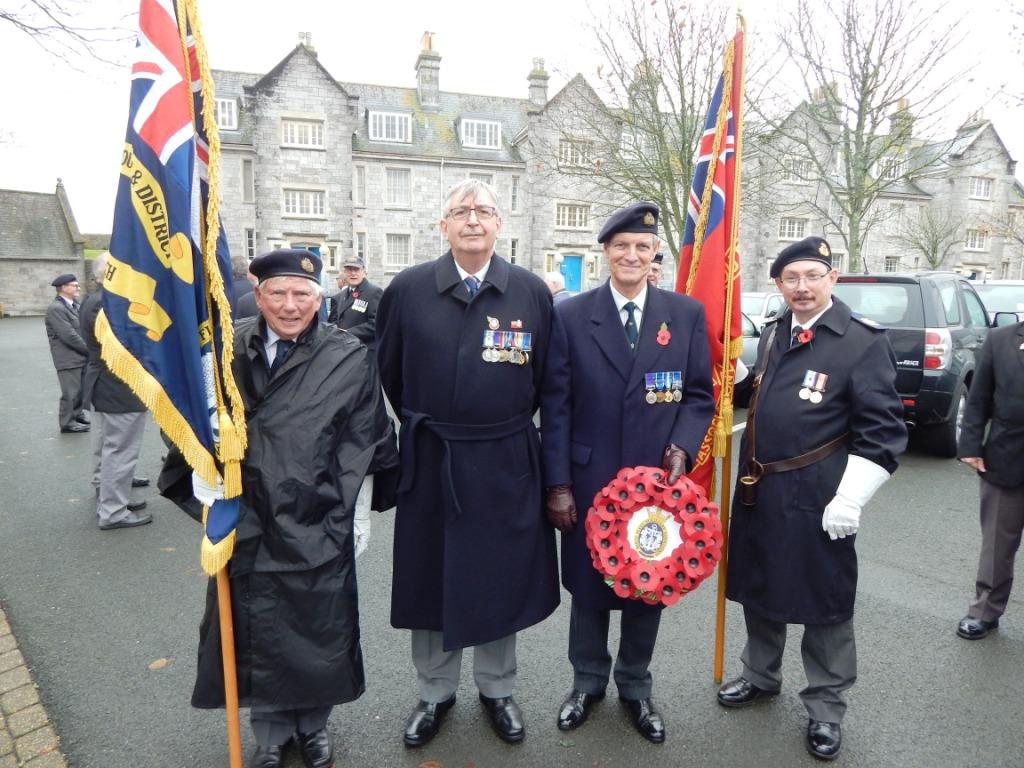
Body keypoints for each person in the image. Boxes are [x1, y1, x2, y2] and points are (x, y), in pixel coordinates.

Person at [164, 248, 398, 768]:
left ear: (319, 298)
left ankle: (313, 726)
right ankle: (269, 732)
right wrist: (203, 475)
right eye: (278, 293)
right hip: (246, 515)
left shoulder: (348, 355)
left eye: (301, 294)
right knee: (257, 629)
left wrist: (356, 513)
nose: (290, 306)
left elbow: (365, 438)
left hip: (318, 514)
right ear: (258, 294)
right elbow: (186, 418)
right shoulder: (222, 351)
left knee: (318, 629)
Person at [376, 178, 559, 748]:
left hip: (506, 459)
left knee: (501, 577)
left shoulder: (530, 292)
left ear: (500, 223)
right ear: (444, 225)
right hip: (434, 458)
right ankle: (434, 692)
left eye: (483, 210)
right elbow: (389, 372)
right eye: (460, 211)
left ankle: (497, 688)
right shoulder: (407, 289)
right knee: (431, 575)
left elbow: (547, 382)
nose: (472, 219)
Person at [718, 236, 907, 761]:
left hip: (821, 495)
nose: (802, 287)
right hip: (761, 490)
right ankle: (760, 675)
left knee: (825, 601)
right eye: (791, 279)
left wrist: (851, 499)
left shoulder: (861, 341)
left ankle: (826, 706)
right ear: (779, 284)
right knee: (760, 586)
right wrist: (735, 372)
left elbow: (883, 432)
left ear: (832, 279)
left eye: (812, 276)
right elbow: (760, 393)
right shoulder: (777, 330)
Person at [540, 202, 715, 744]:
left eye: (642, 246)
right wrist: (558, 484)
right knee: (590, 588)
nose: (632, 255)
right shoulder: (571, 315)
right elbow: (556, 405)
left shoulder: (684, 314)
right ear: (606, 253)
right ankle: (586, 682)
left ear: (654, 252)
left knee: (651, 582)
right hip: (590, 481)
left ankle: (636, 686)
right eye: (621, 246)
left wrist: (682, 449)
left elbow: (698, 396)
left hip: (657, 487)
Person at [956, 318, 1024, 640]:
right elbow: (979, 397)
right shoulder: (1000, 340)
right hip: (1006, 457)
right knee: (997, 544)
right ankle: (985, 610)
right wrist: (970, 445)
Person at [80, 252, 151, 530]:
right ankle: (113, 510)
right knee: (119, 451)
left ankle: (109, 497)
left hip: (105, 384)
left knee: (107, 448)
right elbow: (124, 346)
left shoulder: (95, 299)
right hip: (117, 387)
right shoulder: (106, 303)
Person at [45, 273, 89, 433]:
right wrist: (90, 350)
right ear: (63, 288)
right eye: (75, 285)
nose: (78, 288)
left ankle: (77, 414)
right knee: (71, 391)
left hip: (79, 355)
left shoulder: (75, 305)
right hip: (68, 357)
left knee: (80, 389)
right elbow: (69, 336)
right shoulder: (56, 308)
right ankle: (67, 422)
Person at [328, 256, 383, 351]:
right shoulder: (340, 296)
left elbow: (377, 324)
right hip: (344, 350)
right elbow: (334, 321)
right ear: (344, 273)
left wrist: (347, 332)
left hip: (364, 350)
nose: (353, 273)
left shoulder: (374, 292)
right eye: (349, 269)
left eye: (356, 269)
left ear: (364, 272)